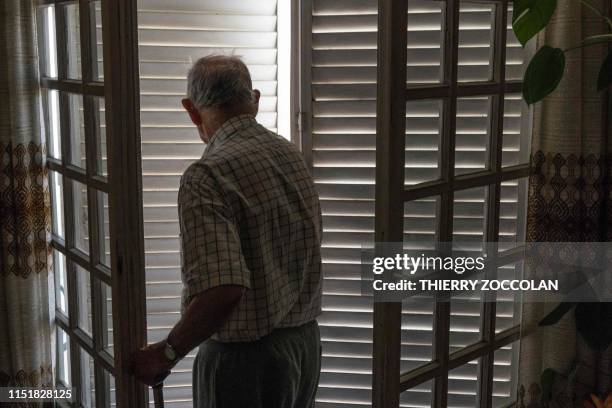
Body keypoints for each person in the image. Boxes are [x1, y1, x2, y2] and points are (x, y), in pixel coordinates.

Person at [131, 55, 323, 408]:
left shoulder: (207, 176)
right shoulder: (290, 156)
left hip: (245, 365)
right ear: (255, 99)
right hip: (304, 347)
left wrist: (167, 353)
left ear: (191, 110)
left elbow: (223, 287)